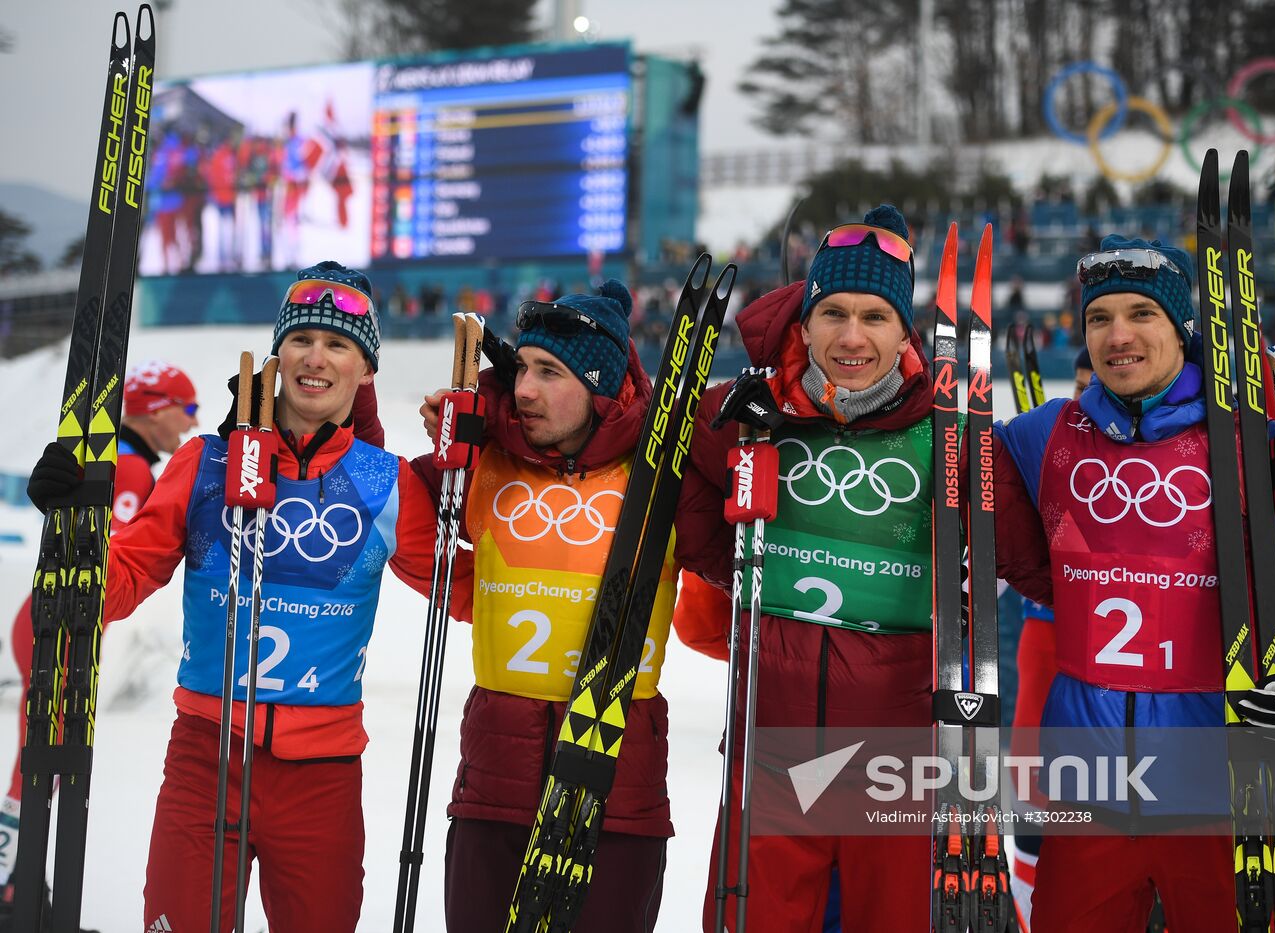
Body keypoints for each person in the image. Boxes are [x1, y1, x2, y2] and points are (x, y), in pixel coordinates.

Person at [24, 261, 467, 932]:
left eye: (340, 344)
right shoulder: (203, 463)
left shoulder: (386, 483)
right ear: (277, 355)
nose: (317, 357)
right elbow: (116, 585)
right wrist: (73, 523)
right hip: (207, 756)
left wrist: (493, 482)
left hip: (322, 778)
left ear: (366, 369)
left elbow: (468, 593)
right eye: (301, 340)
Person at [992, 235, 1275, 931]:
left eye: (1141, 313)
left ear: (1180, 329)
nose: (1117, 335)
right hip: (1089, 796)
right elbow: (943, 467)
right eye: (1099, 318)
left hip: (1228, 797)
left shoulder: (1252, 444)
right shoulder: (1045, 435)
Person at [677, 204, 935, 932]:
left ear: (904, 330)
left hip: (898, 759)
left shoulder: (948, 431)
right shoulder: (745, 411)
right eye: (834, 313)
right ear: (805, 321)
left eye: (876, 316)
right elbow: (651, 443)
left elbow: (1037, 559)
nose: (852, 337)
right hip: (772, 745)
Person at [415, 280, 672, 933]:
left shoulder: (664, 475)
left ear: (600, 386)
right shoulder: (485, 460)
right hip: (494, 785)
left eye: (549, 372)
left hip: (616, 791)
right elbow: (410, 532)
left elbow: (730, 590)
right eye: (521, 367)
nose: (524, 388)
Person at [0, 361, 199, 928]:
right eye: (186, 411)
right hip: (62, 622)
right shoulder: (133, 471)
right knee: (42, 760)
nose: (191, 423)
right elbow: (108, 554)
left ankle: (18, 881)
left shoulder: (123, 462)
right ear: (156, 410)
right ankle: (15, 887)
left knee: (40, 756)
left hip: (50, 617)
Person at [1008, 344, 1093, 927]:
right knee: (1038, 804)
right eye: (1081, 384)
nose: (1089, 396)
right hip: (1047, 648)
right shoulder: (1051, 442)